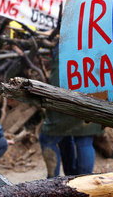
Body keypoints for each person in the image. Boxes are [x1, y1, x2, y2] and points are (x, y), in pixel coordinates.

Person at [39, 46, 103, 178]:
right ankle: (83, 181)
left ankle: (52, 183)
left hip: (67, 96)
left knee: (47, 139)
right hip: (93, 94)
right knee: (84, 139)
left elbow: (57, 77)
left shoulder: (65, 43)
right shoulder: (96, 40)